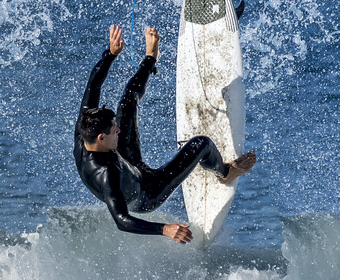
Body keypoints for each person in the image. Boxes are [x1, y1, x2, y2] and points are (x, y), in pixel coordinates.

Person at [75, 24, 257, 243]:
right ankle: (226, 172)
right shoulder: (105, 173)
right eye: (115, 130)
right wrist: (165, 229)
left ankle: (151, 57)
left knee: (128, 98)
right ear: (101, 138)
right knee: (202, 144)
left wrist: (110, 55)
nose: (120, 130)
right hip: (148, 191)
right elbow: (122, 220)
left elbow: (93, 85)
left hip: (127, 162)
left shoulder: (86, 125)